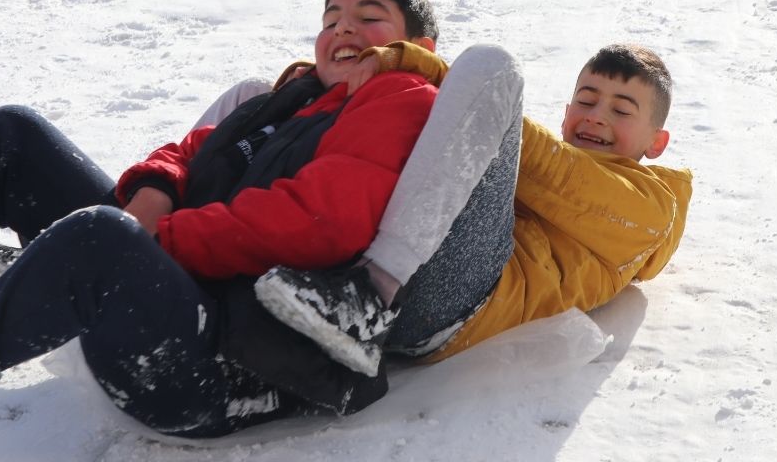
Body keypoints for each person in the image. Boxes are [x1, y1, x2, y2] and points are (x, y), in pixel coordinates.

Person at [0, 0, 451, 438]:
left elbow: (320, 221)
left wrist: (152, 239)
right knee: (12, 138)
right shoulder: (293, 98)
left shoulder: (402, 95)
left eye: (370, 17)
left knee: (101, 237)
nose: (343, 29)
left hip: (217, 363)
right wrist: (155, 195)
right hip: (169, 294)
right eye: (332, 15)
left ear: (415, 45)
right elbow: (188, 151)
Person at [254, 41, 693, 374]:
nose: (597, 116)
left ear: (657, 142)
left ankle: (373, 292)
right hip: (426, 275)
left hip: (459, 305)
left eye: (621, 110)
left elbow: (554, 169)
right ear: (566, 113)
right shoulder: (542, 177)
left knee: (492, 68)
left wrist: (421, 64)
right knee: (252, 94)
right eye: (587, 100)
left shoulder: (650, 212)